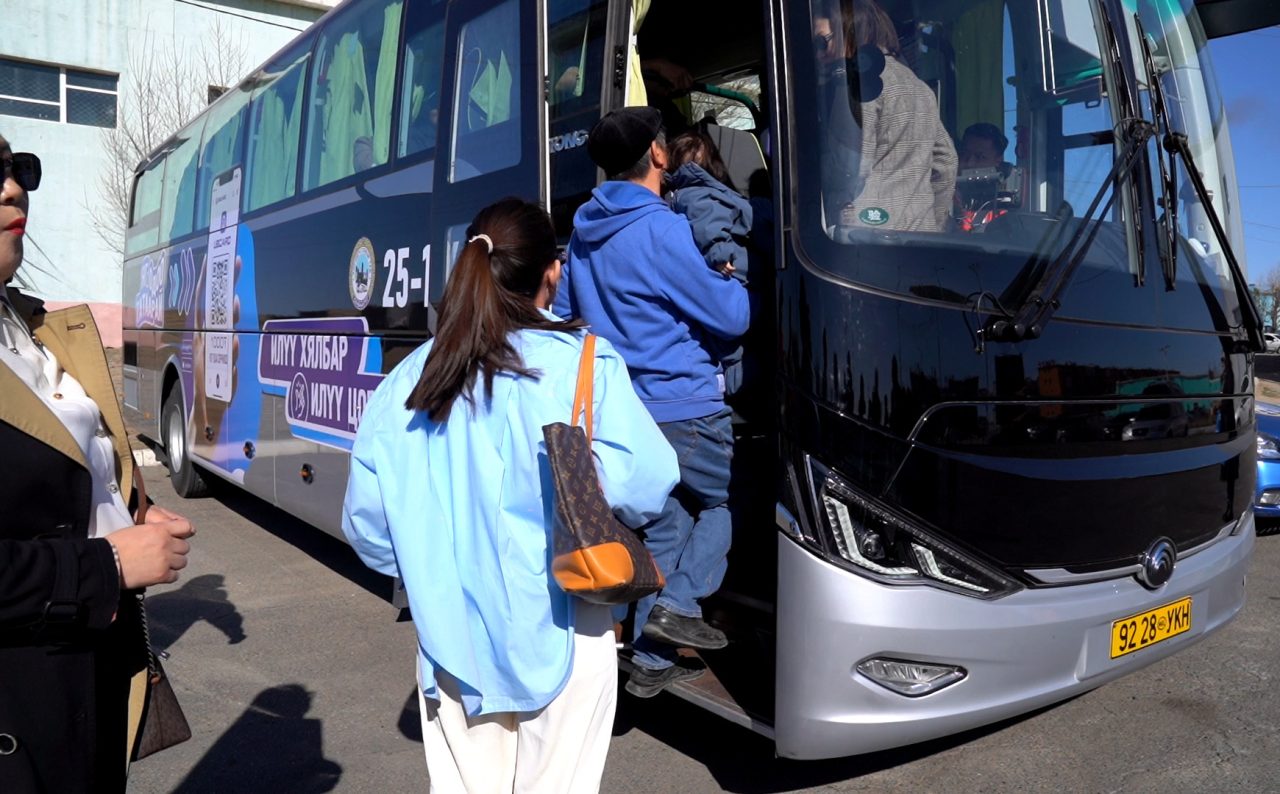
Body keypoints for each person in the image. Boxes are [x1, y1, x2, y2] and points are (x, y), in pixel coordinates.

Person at [342, 198, 677, 793]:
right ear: (553, 271)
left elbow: (368, 528)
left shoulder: (409, 381)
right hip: (569, 633)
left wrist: (434, 573)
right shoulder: (586, 367)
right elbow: (647, 484)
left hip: (450, 649)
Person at [0, 133, 196, 793]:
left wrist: (129, 505)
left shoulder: (35, 328)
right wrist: (109, 564)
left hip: (93, 666)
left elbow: (57, 465)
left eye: (17, 167)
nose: (12, 188)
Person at [553, 107, 750, 698]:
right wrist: (734, 276)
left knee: (671, 520)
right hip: (687, 409)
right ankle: (679, 607)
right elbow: (731, 317)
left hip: (628, 419)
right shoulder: (662, 228)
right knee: (731, 498)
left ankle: (650, 658)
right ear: (659, 156)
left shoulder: (582, 233)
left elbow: (567, 320)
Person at [818, 0, 957, 232]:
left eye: (821, 42)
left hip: (863, 237)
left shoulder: (858, 81)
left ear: (849, 32)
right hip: (919, 238)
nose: (819, 54)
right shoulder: (919, 87)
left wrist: (807, 166)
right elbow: (947, 162)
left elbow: (850, 167)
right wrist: (935, 224)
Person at [665, 129, 753, 397]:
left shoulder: (691, 195)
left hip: (729, 266)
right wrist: (721, 255)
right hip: (733, 269)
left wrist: (721, 255)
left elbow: (711, 229)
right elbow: (713, 229)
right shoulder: (707, 193)